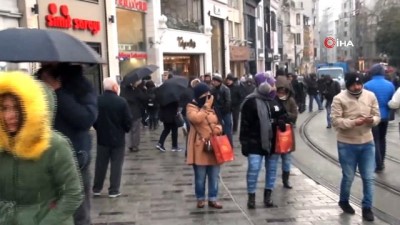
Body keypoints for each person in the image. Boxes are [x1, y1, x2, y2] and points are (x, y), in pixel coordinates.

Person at [0, 71, 83, 225]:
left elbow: (73, 193)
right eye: (4, 108)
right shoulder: (2, 145)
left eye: (17, 109)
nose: (8, 116)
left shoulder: (55, 145)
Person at [38, 63, 98, 225]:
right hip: (40, 159)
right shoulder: (36, 83)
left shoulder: (80, 86)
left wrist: (57, 92)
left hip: (75, 157)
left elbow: (86, 119)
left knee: (78, 212)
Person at [331, 72, 380, 222]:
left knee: (368, 177)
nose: (357, 86)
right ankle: (344, 201)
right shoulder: (339, 98)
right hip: (347, 144)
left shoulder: (370, 95)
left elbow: (377, 115)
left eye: (359, 84)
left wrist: (372, 120)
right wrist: (353, 122)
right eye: (353, 84)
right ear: (347, 84)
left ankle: (367, 207)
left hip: (367, 142)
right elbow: (335, 121)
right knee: (349, 176)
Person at [240, 72, 289, 209]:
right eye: (272, 83)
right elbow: (244, 124)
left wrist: (281, 121)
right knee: (254, 168)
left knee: (272, 169)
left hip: (274, 142)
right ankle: (251, 197)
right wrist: (244, 143)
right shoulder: (250, 102)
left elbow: (284, 116)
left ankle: (268, 197)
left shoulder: (275, 100)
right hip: (255, 142)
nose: (274, 86)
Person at [92, 78, 132, 198]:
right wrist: (125, 129)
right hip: (118, 138)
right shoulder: (121, 102)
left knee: (100, 164)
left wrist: (98, 128)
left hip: (102, 137)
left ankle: (97, 188)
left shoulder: (97, 100)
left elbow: (93, 118)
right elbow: (127, 120)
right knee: (116, 164)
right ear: (115, 87)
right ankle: (113, 189)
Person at [186, 83, 223, 209]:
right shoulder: (191, 107)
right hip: (199, 146)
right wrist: (206, 106)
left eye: (209, 95)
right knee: (200, 177)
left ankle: (213, 198)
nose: (207, 97)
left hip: (213, 145)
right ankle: (200, 198)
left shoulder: (214, 107)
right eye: (204, 95)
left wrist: (218, 129)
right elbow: (196, 119)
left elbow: (219, 122)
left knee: (214, 175)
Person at [364, 64, 395, 173]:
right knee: (382, 139)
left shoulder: (367, 85)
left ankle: (378, 164)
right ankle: (382, 161)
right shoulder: (390, 85)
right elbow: (392, 101)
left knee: (375, 140)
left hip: (373, 117)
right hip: (385, 116)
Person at [120, 79, 148, 152]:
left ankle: (129, 145)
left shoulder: (123, 91)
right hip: (136, 113)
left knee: (128, 130)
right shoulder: (136, 90)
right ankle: (135, 146)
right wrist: (143, 90)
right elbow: (143, 98)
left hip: (125, 113)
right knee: (136, 130)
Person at [211, 73, 233, 145]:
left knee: (227, 129)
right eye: (213, 81)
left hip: (225, 112)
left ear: (218, 81)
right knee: (219, 129)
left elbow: (228, 102)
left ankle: (229, 144)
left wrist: (224, 111)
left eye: (214, 81)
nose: (213, 82)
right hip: (217, 112)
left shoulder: (225, 89)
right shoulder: (213, 90)